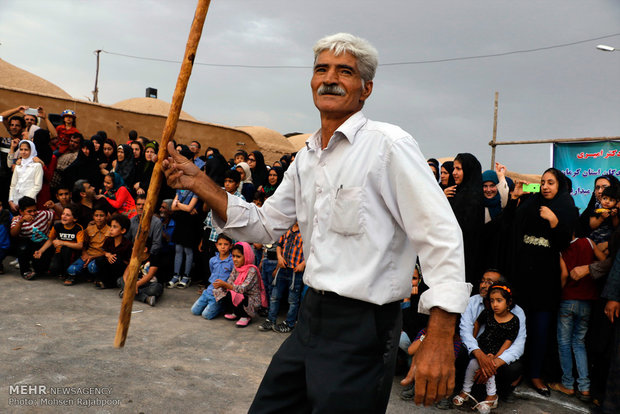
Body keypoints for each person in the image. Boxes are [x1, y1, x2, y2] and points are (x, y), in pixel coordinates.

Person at [163, 32, 469, 410]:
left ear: (366, 88)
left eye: (345, 71)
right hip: (310, 317)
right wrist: (201, 184)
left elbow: (441, 236)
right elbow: (263, 225)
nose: (330, 78)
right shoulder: (307, 157)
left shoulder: (388, 145)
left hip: (364, 328)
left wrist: (439, 336)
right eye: (322, 69)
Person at [503, 168, 578, 396]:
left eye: (551, 183)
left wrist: (555, 222)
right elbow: (511, 225)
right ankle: (515, 372)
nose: (545, 186)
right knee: (518, 326)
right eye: (543, 182)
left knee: (541, 329)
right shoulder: (530, 203)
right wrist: (515, 199)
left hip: (546, 279)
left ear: (560, 186)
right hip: (523, 274)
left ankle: (535, 374)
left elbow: (565, 242)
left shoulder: (566, 208)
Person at [548, 232, 606, 401]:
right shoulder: (588, 242)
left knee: (564, 343)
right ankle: (585, 387)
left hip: (568, 300)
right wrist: (590, 265)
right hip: (587, 302)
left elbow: (564, 274)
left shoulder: (561, 248)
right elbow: (604, 262)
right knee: (579, 343)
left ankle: (567, 384)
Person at [459, 270, 526, 402]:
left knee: (514, 367)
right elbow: (466, 332)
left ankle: (499, 392)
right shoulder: (472, 302)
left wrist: (492, 364)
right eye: (482, 281)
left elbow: (517, 345)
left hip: (496, 355)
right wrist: (478, 354)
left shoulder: (517, 313)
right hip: (478, 351)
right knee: (459, 351)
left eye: (489, 282)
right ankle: (463, 388)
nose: (483, 285)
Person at [259, 222, 305, 333]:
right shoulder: (287, 228)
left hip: (295, 271)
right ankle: (271, 319)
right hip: (282, 268)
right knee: (274, 296)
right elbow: (279, 245)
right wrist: (279, 257)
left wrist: (303, 264)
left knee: (293, 300)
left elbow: (312, 250)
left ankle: (290, 323)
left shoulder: (306, 232)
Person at [447, 153, 485, 285]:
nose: (454, 173)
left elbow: (466, 227)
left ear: (468, 170)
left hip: (465, 256)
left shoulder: (473, 197)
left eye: (458, 169)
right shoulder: (456, 192)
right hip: (453, 254)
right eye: (454, 168)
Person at [212, 241, 267, 328]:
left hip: (250, 300)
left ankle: (245, 316)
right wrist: (221, 285)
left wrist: (226, 285)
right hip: (240, 294)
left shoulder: (252, 270)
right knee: (221, 291)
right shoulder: (236, 267)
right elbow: (230, 281)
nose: (235, 259)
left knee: (235, 294)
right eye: (233, 256)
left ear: (247, 256)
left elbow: (243, 288)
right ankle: (236, 312)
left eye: (238, 256)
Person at [33, 204, 84, 285]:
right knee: (53, 269)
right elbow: (50, 240)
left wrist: (62, 242)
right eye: (63, 214)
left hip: (72, 255)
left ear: (74, 219)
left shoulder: (78, 228)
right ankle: (59, 271)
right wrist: (40, 251)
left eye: (68, 215)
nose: (64, 216)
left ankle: (70, 275)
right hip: (59, 253)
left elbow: (80, 245)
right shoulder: (57, 226)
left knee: (66, 248)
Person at [10, 196, 55, 280]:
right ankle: (25, 271)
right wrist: (21, 222)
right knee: (22, 247)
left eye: (34, 210)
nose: (33, 213)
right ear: (21, 212)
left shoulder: (43, 214)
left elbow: (58, 216)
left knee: (42, 269)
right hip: (28, 247)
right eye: (29, 211)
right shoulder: (18, 221)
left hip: (42, 245)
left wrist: (54, 206)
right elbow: (13, 234)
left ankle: (39, 268)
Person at [191, 234, 234, 319]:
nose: (223, 247)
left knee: (206, 315)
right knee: (194, 311)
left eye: (226, 244)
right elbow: (212, 272)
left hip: (220, 293)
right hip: (209, 291)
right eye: (220, 244)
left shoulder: (232, 261)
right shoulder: (212, 260)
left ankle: (220, 306)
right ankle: (210, 305)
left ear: (231, 246)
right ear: (216, 245)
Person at [66, 204, 110, 284]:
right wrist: (85, 253)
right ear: (93, 217)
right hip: (88, 255)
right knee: (72, 269)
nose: (99, 218)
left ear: (106, 216)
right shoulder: (89, 229)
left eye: (102, 215)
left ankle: (96, 276)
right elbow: (83, 244)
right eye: (96, 215)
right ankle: (84, 274)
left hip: (100, 257)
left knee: (92, 267)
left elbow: (109, 251)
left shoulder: (110, 231)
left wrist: (92, 257)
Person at [118, 238, 163, 307]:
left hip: (148, 283)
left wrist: (136, 285)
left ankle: (126, 293)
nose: (133, 249)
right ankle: (146, 298)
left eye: (135, 247)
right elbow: (126, 273)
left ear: (145, 249)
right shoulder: (135, 257)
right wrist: (128, 284)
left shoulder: (154, 258)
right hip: (135, 282)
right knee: (120, 280)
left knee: (155, 289)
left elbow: (149, 276)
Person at [93, 213, 132, 289]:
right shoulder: (109, 240)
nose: (111, 229)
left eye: (115, 227)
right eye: (111, 226)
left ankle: (111, 283)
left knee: (116, 259)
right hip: (109, 265)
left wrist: (116, 258)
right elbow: (104, 251)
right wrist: (108, 254)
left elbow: (129, 261)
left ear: (123, 230)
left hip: (120, 268)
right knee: (99, 260)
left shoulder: (127, 244)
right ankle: (104, 280)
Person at [8, 140, 43, 213]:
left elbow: (37, 186)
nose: (23, 152)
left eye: (26, 150)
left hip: (29, 203)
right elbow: (13, 184)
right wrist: (11, 200)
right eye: (21, 149)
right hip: (15, 201)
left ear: (32, 150)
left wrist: (24, 202)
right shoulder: (19, 165)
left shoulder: (37, 165)